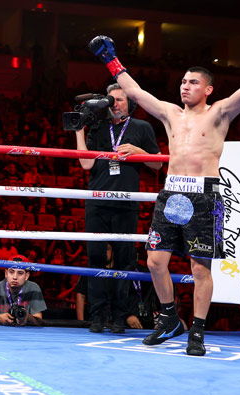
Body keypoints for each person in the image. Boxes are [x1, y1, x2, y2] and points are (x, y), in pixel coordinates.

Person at [88, 29, 240, 355]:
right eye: (183, 81)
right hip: (171, 193)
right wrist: (109, 59)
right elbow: (135, 91)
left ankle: (196, 331)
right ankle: (170, 317)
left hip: (204, 196)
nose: (185, 86)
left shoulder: (219, 113)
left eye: (193, 82)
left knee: (200, 268)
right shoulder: (170, 114)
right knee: (155, 262)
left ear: (208, 89)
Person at [75, 83, 161, 334]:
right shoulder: (98, 127)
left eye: (120, 100)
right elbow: (85, 164)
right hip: (97, 202)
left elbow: (156, 166)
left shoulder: (141, 128)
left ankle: (120, 317)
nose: (115, 104)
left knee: (125, 261)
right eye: (111, 99)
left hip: (126, 204)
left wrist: (138, 152)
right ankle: (98, 315)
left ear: (130, 103)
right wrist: (79, 131)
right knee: (96, 259)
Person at [0, 255, 47, 326]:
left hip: (25, 334)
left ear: (27, 276)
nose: (15, 277)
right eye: (11, 272)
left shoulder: (33, 289)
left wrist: (28, 317)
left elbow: (39, 320)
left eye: (20, 273)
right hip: (0, 333)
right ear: (6, 273)